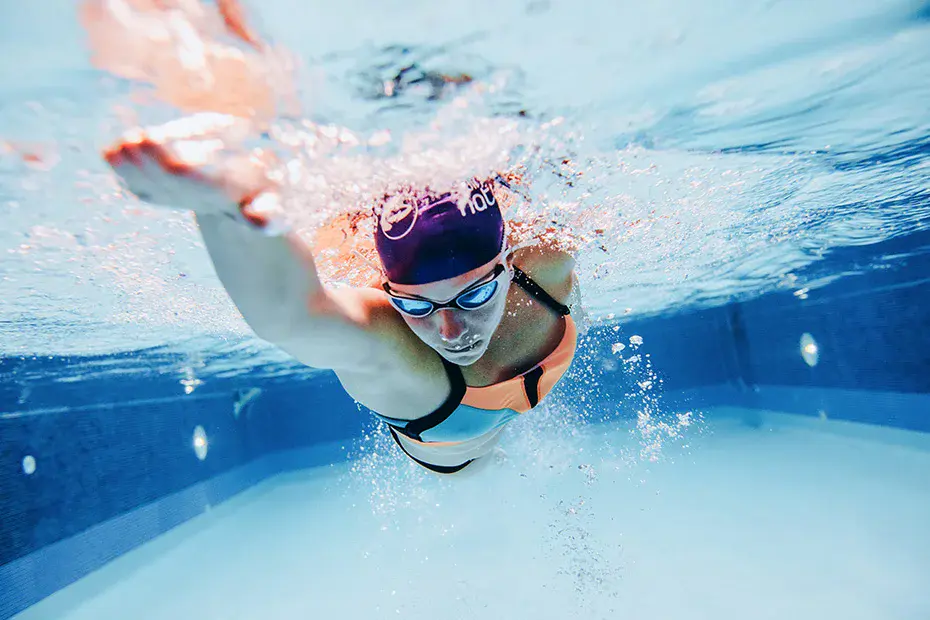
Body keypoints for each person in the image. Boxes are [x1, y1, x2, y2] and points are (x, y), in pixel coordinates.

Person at [103, 114, 579, 474]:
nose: (449, 331)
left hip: (499, 401)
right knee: (478, 472)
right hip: (456, 453)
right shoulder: (407, 364)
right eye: (413, 304)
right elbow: (292, 319)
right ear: (389, 290)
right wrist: (224, 203)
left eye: (474, 296)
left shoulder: (547, 261)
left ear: (507, 264)